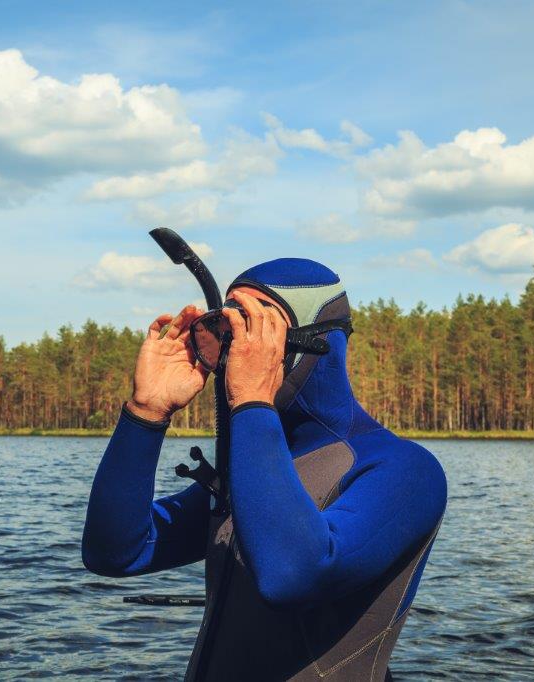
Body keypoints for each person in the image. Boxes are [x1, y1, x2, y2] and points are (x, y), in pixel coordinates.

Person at [82, 257, 447, 681]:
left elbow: (292, 575)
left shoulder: (406, 470)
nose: (238, 352)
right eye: (225, 332)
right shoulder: (254, 472)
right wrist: (146, 413)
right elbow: (115, 552)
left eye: (256, 332)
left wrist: (252, 403)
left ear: (315, 341)